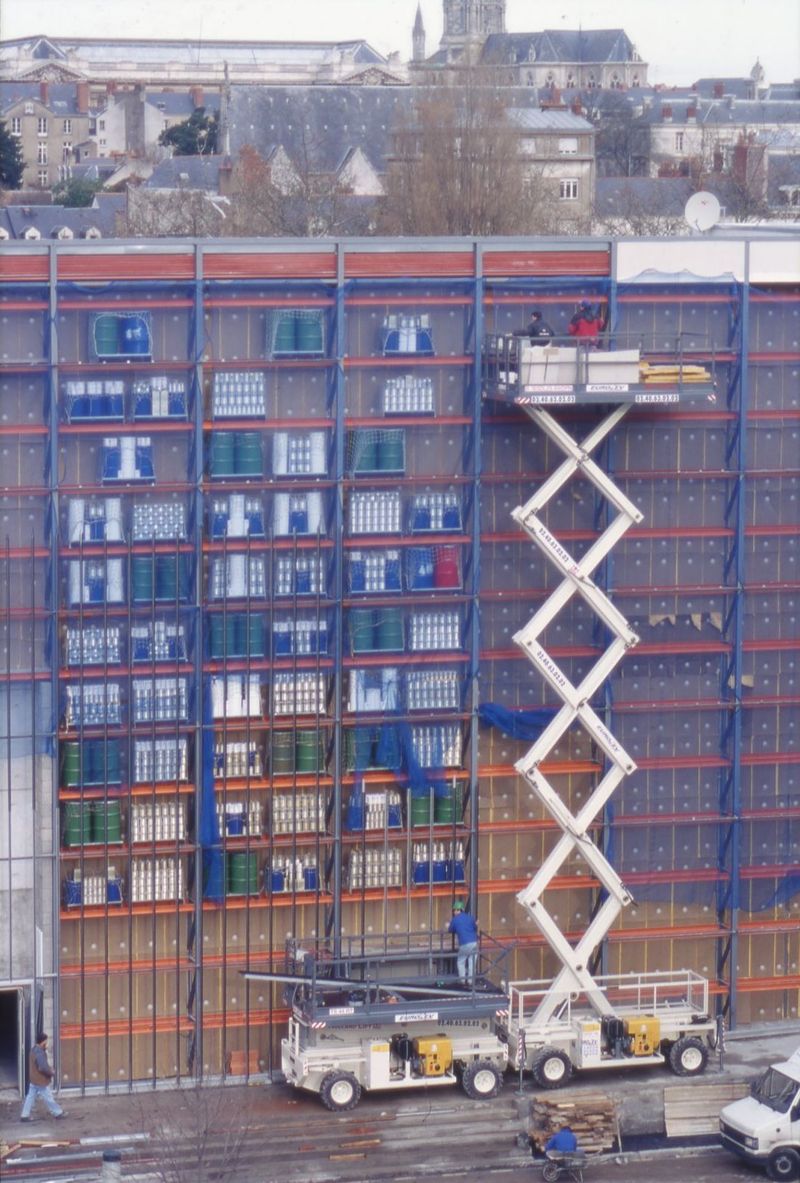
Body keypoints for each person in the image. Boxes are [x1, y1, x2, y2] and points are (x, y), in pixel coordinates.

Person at [20, 1032, 66, 1121]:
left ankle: (24, 1115)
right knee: (48, 1097)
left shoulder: (33, 1050)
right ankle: (58, 1113)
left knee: (30, 1097)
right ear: (43, 1042)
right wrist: (51, 1072)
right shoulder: (40, 1053)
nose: (47, 1043)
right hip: (40, 1080)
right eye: (46, 1041)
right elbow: (42, 1067)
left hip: (33, 1079)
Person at [447, 900, 479, 984]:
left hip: (464, 943)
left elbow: (450, 930)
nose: (454, 912)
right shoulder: (470, 917)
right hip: (474, 942)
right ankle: (470, 981)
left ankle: (462, 980)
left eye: (455, 910)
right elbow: (475, 928)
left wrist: (451, 925)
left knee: (461, 962)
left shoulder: (455, 920)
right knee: (472, 962)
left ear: (459, 910)